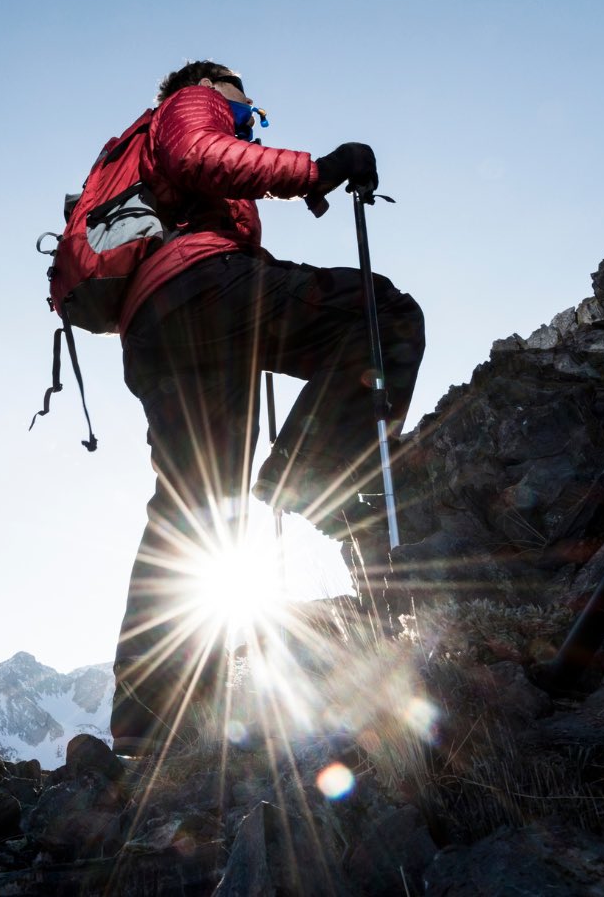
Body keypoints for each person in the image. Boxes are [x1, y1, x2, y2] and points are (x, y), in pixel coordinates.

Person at [111, 60, 425, 755]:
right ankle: (309, 473)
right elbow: (202, 152)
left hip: (154, 328)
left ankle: (147, 719)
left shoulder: (144, 163)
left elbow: (199, 176)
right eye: (247, 105)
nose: (251, 115)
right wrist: (315, 171)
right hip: (206, 291)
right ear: (218, 87)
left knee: (193, 505)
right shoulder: (195, 102)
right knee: (383, 316)